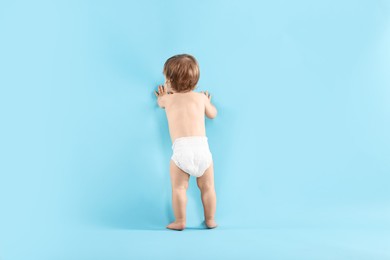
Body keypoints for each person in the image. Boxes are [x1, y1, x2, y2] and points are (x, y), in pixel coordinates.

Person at [154, 54, 218, 230]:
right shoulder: (201, 98)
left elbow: (160, 102)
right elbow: (213, 114)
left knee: (179, 189)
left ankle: (180, 221)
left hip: (182, 151)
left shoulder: (168, 99)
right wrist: (208, 103)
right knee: (208, 187)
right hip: (202, 150)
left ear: (170, 81)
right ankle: (211, 219)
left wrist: (164, 94)